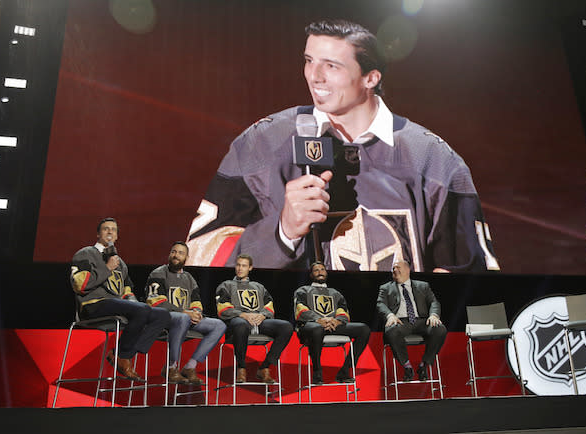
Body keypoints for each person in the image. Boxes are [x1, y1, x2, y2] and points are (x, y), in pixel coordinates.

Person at [185, 19, 499, 273]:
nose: (314, 77)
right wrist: (282, 232)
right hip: (295, 345)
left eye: (331, 66)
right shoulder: (260, 145)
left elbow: (472, 278)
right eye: (309, 61)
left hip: (393, 345)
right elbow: (198, 260)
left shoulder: (434, 161)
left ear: (370, 78)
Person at [70, 217, 171, 382]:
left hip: (117, 306)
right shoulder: (86, 253)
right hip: (93, 305)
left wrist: (132, 301)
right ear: (98, 234)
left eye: (114, 229)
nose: (110, 232)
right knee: (142, 310)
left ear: (117, 236)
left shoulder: (120, 262)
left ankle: (122, 354)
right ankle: (123, 356)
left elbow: (126, 290)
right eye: (105, 228)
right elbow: (80, 285)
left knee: (162, 316)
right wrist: (107, 267)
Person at [145, 241, 226, 384]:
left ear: (186, 258)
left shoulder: (189, 278)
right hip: (163, 318)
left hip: (186, 319)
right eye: (173, 252)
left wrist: (197, 313)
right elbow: (156, 302)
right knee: (182, 318)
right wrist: (185, 312)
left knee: (219, 325)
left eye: (180, 253)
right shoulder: (158, 273)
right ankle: (171, 367)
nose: (176, 255)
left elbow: (196, 301)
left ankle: (190, 367)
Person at [215, 253, 293, 383]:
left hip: (258, 322)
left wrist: (262, 315)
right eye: (238, 265)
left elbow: (269, 306)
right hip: (238, 323)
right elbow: (222, 308)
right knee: (240, 324)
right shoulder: (226, 285)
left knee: (286, 327)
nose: (240, 268)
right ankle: (241, 368)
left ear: (250, 268)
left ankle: (265, 367)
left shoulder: (259, 287)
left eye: (244, 266)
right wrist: (243, 315)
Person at [294, 261, 370, 384]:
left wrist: (337, 321)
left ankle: (345, 371)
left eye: (322, 269)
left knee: (363, 329)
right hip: (310, 327)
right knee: (316, 329)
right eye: (316, 270)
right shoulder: (302, 290)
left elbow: (343, 311)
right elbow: (300, 310)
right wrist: (319, 320)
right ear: (311, 275)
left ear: (326, 273)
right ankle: (317, 371)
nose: (320, 272)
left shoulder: (335, 293)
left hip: (333, 325)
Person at [376, 260, 447, 381]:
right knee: (391, 330)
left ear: (407, 269)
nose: (394, 270)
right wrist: (390, 315)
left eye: (397, 267)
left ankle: (424, 364)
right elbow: (380, 304)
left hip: (421, 321)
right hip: (400, 322)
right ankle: (407, 366)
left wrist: (434, 315)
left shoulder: (423, 286)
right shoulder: (386, 288)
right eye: (393, 268)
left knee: (439, 329)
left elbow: (434, 302)